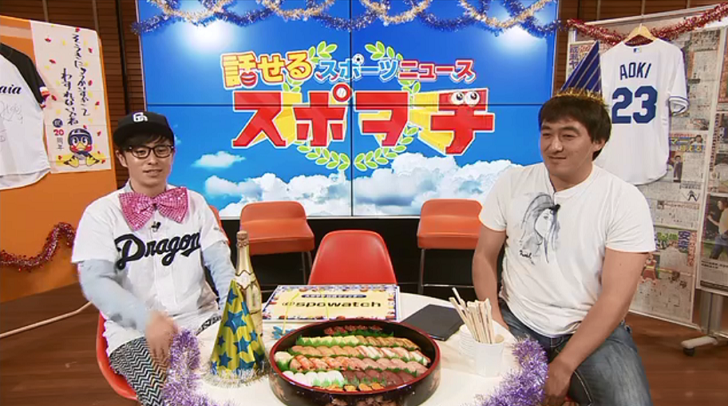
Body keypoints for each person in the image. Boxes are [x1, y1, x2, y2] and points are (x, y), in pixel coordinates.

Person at [472, 92, 656, 406]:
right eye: (547, 134)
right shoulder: (512, 182)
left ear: (597, 141)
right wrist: (495, 323)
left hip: (590, 328)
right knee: (477, 395)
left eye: (568, 136)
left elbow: (616, 296)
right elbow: (484, 257)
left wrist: (566, 364)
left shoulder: (624, 200)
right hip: (517, 318)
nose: (554, 146)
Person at [71, 111, 236, 406]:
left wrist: (232, 315)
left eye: (161, 149)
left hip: (204, 319)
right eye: (140, 151)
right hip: (135, 333)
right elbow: (96, 281)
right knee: (175, 397)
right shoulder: (100, 214)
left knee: (246, 380)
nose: (152, 160)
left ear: (172, 154)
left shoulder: (195, 203)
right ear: (122, 158)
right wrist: (146, 319)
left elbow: (221, 264)